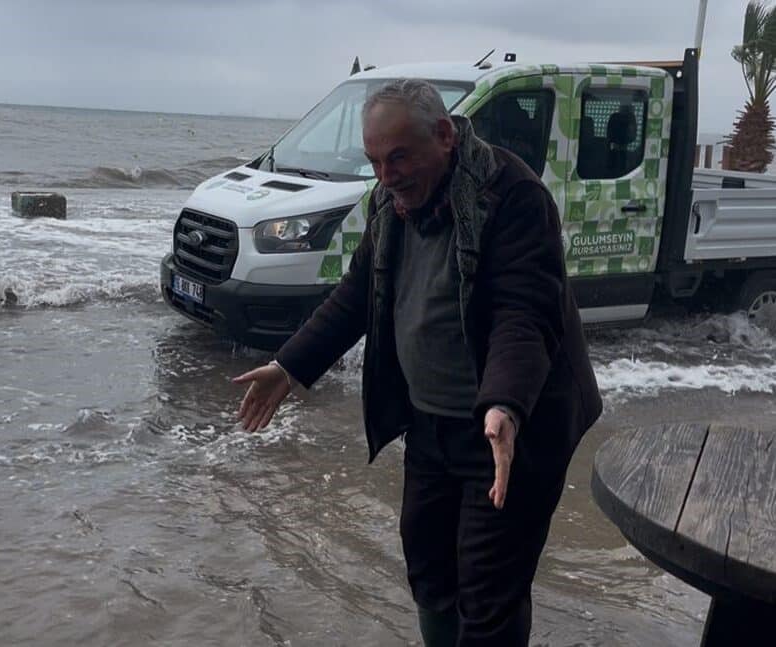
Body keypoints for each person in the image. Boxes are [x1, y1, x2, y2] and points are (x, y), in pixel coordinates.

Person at [232, 79, 602, 646]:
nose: (387, 174)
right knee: (430, 574)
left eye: (400, 156)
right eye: (376, 160)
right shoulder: (390, 199)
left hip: (511, 431)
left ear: (445, 136)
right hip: (430, 425)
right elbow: (358, 294)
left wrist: (505, 403)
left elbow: (523, 314)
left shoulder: (512, 197)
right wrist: (289, 367)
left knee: (489, 594)